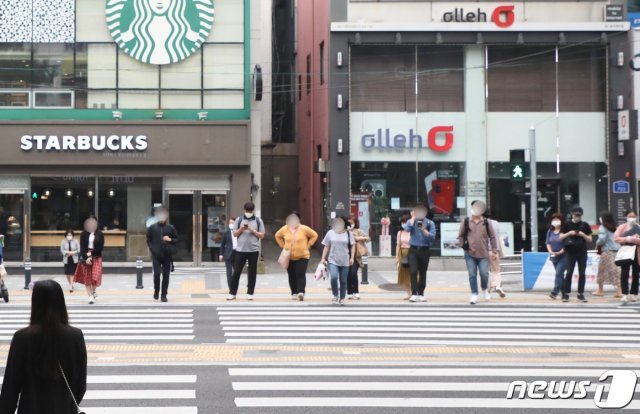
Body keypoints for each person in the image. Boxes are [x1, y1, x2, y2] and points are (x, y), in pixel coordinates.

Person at [0, 280, 87, 414]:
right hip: (63, 409)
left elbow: (10, 388)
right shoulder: (75, 336)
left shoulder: (22, 337)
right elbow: (80, 384)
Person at [458, 200, 498, 305]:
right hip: (470, 254)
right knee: (472, 274)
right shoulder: (466, 221)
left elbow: (493, 237)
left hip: (483, 253)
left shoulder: (486, 222)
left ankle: (484, 289)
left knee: (484, 274)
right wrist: (463, 246)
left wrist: (494, 250)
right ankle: (474, 294)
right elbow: (460, 235)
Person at [275, 212, 318, 301]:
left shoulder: (304, 229)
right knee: (291, 275)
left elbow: (314, 235)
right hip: (288, 256)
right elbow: (277, 236)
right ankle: (294, 292)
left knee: (300, 274)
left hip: (302, 256)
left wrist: (308, 245)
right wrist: (283, 246)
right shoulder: (285, 229)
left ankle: (301, 292)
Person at [227, 202, 265, 301]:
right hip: (240, 250)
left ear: (253, 210)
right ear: (244, 210)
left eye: (250, 211)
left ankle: (250, 293)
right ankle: (232, 293)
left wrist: (253, 230)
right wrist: (241, 229)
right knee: (236, 272)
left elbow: (262, 235)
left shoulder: (258, 220)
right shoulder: (239, 220)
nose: (248, 212)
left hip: (253, 250)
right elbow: (234, 234)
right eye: (247, 211)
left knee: (252, 272)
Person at [403, 204, 436, 303]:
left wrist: (424, 229)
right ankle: (413, 293)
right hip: (413, 250)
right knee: (413, 271)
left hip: (425, 250)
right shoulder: (411, 221)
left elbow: (432, 237)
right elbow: (407, 229)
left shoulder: (430, 223)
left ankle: (421, 293)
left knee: (423, 271)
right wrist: (413, 217)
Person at [560, 206, 593, 303]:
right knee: (569, 272)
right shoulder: (567, 224)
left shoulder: (585, 225)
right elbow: (560, 237)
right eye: (575, 215)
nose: (577, 217)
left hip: (582, 252)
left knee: (582, 273)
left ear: (581, 215)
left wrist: (582, 234)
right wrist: (569, 233)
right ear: (572, 214)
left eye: (579, 215)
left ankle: (580, 294)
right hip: (570, 252)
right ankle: (566, 294)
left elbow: (590, 239)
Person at [321, 216, 356, 305]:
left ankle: (342, 297)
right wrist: (323, 258)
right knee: (333, 277)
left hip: (345, 261)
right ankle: (335, 295)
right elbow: (326, 245)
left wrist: (352, 258)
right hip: (333, 260)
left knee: (343, 280)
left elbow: (353, 245)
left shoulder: (348, 234)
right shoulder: (330, 233)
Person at [147, 205, 178, 302]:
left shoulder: (170, 228)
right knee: (156, 274)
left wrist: (170, 239)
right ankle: (156, 291)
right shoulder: (152, 228)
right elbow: (148, 240)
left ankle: (164, 294)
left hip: (167, 255)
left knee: (166, 275)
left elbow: (176, 240)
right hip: (156, 255)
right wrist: (152, 249)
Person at [74, 217, 104, 304]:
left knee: (95, 277)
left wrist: (91, 254)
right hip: (85, 257)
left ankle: (93, 290)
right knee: (87, 278)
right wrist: (86, 257)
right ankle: (90, 296)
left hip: (96, 256)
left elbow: (100, 247)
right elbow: (82, 247)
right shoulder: (83, 234)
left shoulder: (100, 234)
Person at [614, 209, 640, 304]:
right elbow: (616, 238)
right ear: (626, 217)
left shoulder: (638, 227)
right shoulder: (622, 227)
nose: (632, 218)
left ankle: (634, 293)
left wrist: (633, 239)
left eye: (633, 216)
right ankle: (625, 293)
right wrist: (627, 238)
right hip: (625, 252)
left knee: (636, 273)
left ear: (636, 217)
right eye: (630, 216)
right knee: (624, 273)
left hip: (637, 252)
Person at [593, 211, 621, 298]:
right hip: (617, 251)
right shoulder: (615, 227)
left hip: (607, 251)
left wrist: (597, 243)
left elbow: (602, 239)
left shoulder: (603, 227)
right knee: (616, 270)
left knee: (602, 270)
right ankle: (620, 290)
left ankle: (600, 290)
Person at [484, 209, 506, 298]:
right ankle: (497, 285)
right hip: (493, 250)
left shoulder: (480, 224)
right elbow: (496, 237)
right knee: (496, 270)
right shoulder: (496, 223)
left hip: (483, 251)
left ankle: (488, 291)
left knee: (485, 272)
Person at [347, 217, 370, 300]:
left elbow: (368, 238)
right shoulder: (344, 232)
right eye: (348, 223)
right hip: (345, 255)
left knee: (353, 273)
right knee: (348, 275)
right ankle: (349, 292)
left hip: (357, 255)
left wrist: (357, 238)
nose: (350, 225)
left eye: (351, 223)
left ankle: (356, 292)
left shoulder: (358, 231)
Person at [546, 213, 567, 300]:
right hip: (554, 256)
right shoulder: (549, 231)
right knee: (560, 275)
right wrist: (550, 251)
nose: (555, 221)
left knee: (558, 273)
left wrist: (560, 251)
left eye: (557, 220)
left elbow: (567, 244)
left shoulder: (564, 231)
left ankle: (554, 292)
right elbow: (547, 243)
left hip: (564, 256)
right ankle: (564, 293)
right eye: (553, 220)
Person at [395, 214, 412, 299]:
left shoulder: (413, 232)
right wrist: (397, 257)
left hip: (411, 253)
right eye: (403, 222)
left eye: (405, 222)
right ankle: (408, 293)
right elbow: (398, 245)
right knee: (404, 275)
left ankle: (414, 292)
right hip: (402, 253)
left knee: (413, 274)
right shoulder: (400, 233)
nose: (404, 224)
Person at [219, 218, 237, 291]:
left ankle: (235, 286)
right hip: (228, 254)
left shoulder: (239, 232)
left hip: (237, 254)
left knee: (236, 272)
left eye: (232, 223)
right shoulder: (226, 233)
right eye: (230, 223)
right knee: (229, 272)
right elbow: (222, 244)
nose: (231, 224)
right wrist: (221, 254)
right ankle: (231, 289)